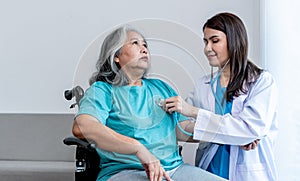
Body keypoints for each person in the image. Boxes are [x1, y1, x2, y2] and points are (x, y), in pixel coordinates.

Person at [72, 25, 227, 181]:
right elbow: (82, 127)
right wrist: (138, 149)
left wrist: (232, 134)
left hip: (175, 170)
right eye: (135, 43)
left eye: (145, 44)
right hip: (125, 171)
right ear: (116, 56)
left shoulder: (161, 87)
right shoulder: (103, 91)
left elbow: (182, 129)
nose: (144, 49)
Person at [164, 12, 278, 181]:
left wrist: (194, 112)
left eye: (214, 41)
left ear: (234, 40)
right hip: (209, 168)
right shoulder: (203, 85)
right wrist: (235, 136)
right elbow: (181, 128)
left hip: (248, 171)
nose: (207, 48)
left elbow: (251, 129)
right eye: (205, 41)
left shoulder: (261, 81)